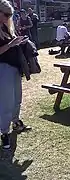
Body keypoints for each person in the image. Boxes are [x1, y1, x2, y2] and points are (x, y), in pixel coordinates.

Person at [0, 0, 31, 149]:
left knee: (17, 98)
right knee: (6, 101)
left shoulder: (7, 27)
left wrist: (19, 42)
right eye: (6, 14)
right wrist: (11, 44)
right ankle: (4, 132)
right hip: (3, 68)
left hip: (14, 67)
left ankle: (16, 122)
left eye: (10, 15)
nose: (8, 17)